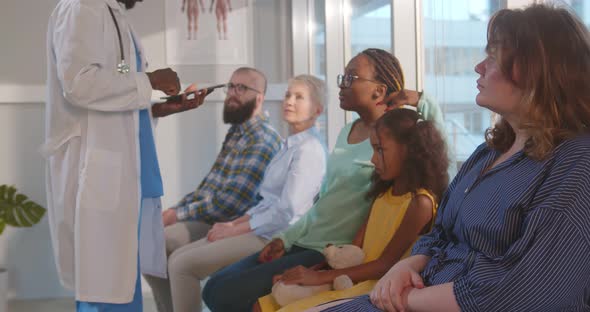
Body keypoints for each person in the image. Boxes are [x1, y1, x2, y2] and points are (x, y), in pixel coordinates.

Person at [316, 4, 590, 312]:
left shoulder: (576, 165)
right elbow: (440, 234)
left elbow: (529, 291)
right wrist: (407, 266)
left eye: (494, 56)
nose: (479, 67)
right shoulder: (488, 153)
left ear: (539, 69)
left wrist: (406, 298)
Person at [202, 48, 447, 312]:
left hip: (327, 249)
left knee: (226, 295)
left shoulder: (394, 144)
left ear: (378, 90)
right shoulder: (346, 132)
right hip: (306, 238)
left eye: (351, 78)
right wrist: (285, 239)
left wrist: (421, 99)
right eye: (344, 77)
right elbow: (325, 199)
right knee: (215, 286)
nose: (341, 85)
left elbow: (433, 147)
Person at [44, 0, 206, 311]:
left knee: (121, 280)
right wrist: (149, 80)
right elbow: (79, 83)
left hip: (130, 172)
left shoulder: (113, 14)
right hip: (98, 171)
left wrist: (156, 106)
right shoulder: (81, 8)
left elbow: (117, 74)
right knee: (103, 287)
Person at [161, 74, 328, 312]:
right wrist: (231, 226)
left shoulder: (309, 150)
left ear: (318, 109)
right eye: (288, 94)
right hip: (260, 227)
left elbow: (285, 213)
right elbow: (265, 202)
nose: (289, 101)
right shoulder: (289, 145)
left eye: (299, 97)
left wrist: (235, 230)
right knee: (177, 259)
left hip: (274, 238)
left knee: (182, 266)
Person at [257, 107, 449, 312]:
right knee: (263, 304)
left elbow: (385, 264)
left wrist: (319, 277)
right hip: (351, 278)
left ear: (409, 150)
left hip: (377, 286)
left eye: (380, 149)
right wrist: (310, 273)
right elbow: (353, 250)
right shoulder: (383, 194)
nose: (374, 159)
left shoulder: (420, 203)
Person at [144, 67, 282, 312]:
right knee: (149, 243)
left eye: (242, 88)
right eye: (231, 86)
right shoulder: (238, 132)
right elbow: (208, 188)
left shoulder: (262, 139)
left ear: (259, 98)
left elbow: (229, 202)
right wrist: (174, 211)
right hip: (215, 219)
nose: (232, 93)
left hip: (236, 225)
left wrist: (176, 215)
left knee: (161, 244)